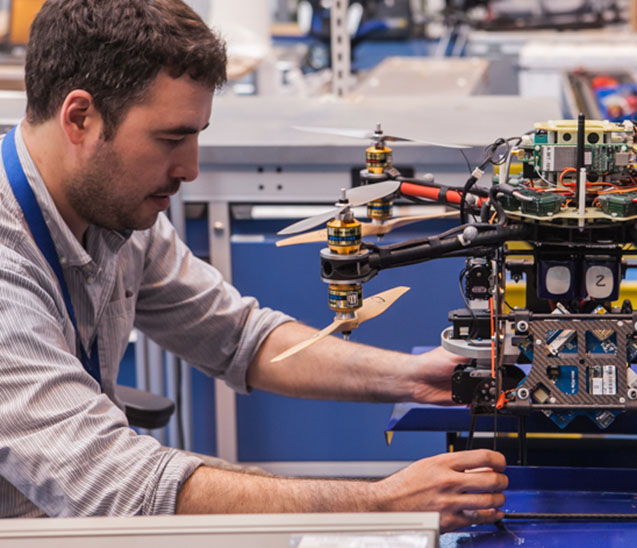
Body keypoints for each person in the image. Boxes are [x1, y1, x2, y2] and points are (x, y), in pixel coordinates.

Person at [0, 0, 506, 532]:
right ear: (80, 118)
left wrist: (410, 377)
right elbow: (118, 486)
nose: (190, 169)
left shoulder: (114, 210)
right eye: (171, 139)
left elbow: (237, 335)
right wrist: (381, 504)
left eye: (196, 135)